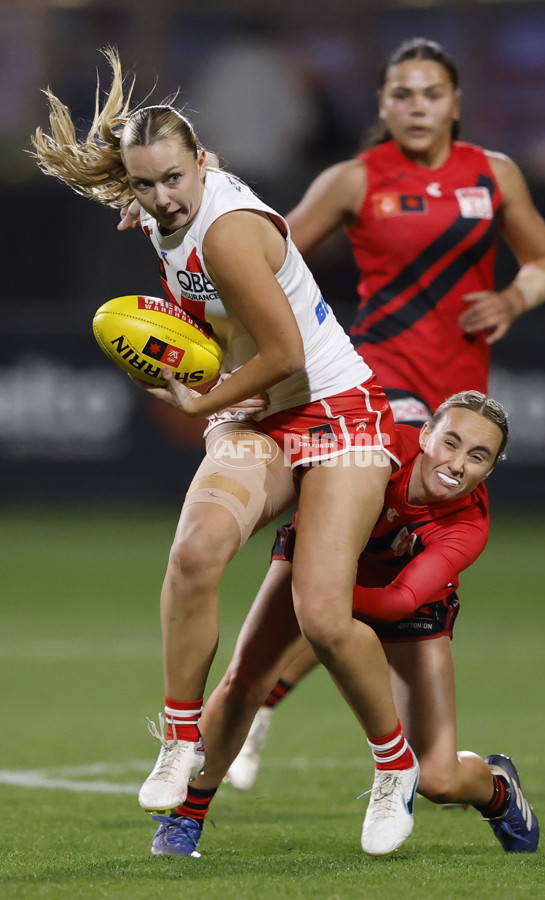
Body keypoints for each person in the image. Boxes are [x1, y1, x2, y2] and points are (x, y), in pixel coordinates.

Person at [31, 47, 422, 857]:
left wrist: (197, 403)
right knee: (196, 552)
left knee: (320, 617)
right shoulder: (164, 210)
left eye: (174, 178)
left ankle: (394, 767)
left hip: (336, 411)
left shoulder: (230, 235)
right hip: (258, 415)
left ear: (203, 163)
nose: (162, 196)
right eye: (144, 184)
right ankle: (179, 740)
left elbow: (282, 355)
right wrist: (145, 207)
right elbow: (176, 234)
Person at [224, 35, 545, 790]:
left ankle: (273, 699)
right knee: (349, 556)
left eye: (431, 94)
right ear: (381, 104)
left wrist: (515, 295)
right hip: (375, 388)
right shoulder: (354, 179)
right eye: (402, 94)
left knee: (373, 571)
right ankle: (265, 702)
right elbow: (265, 248)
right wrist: (184, 216)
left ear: (456, 103)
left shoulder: (494, 176)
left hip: (459, 413)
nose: (417, 107)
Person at [151, 391, 538, 858]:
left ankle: (497, 789)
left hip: (412, 610)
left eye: (478, 457)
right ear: (425, 433)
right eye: (450, 442)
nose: (457, 464)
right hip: (318, 567)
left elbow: (400, 601)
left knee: (438, 779)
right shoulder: (378, 447)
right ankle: (185, 820)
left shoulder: (468, 524)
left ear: (490, 470)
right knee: (245, 680)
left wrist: (318, 594)